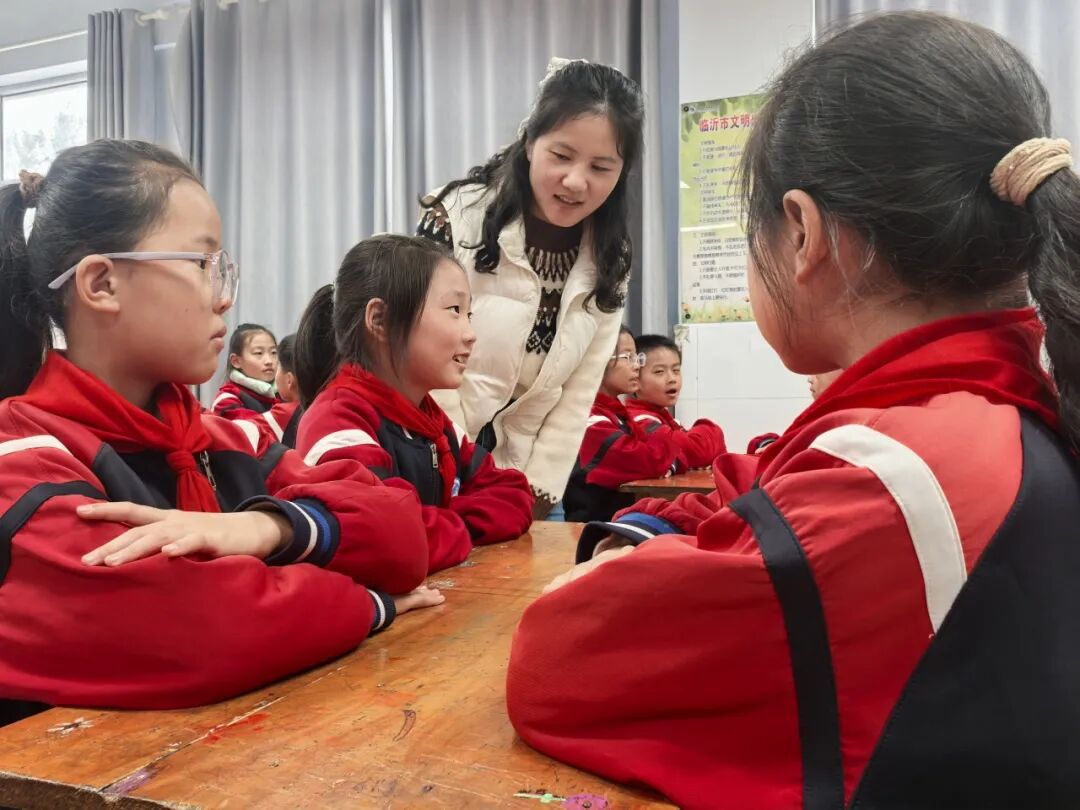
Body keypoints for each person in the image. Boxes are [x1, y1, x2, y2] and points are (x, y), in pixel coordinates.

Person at [506, 13, 1080, 808]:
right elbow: (749, 472)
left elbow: (558, 658)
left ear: (803, 231)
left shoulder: (901, 477)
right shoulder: (1005, 405)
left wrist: (632, 557)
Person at [0, 140, 441, 727]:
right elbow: (203, 631)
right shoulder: (23, 459)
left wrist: (262, 527)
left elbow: (403, 532)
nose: (224, 294)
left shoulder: (226, 438)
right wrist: (368, 602)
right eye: (202, 264)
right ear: (101, 283)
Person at [417, 58, 645, 517]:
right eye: (561, 156)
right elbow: (422, 355)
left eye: (601, 167)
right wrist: (461, 473)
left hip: (529, 480)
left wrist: (538, 495)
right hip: (436, 463)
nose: (576, 181)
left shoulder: (609, 256)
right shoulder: (457, 216)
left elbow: (580, 390)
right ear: (528, 143)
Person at [294, 234, 534, 574]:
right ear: (380, 320)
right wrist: (444, 527)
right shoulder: (338, 420)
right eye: (454, 310)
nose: (470, 333)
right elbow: (386, 539)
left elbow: (514, 492)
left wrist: (440, 528)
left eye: (469, 314)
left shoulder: (433, 422)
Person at [562, 327, 678, 522]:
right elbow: (650, 460)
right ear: (598, 359)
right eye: (627, 357)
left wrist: (667, 459)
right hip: (593, 531)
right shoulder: (588, 418)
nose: (636, 366)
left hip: (621, 522)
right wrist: (667, 446)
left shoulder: (617, 414)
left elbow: (666, 457)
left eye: (636, 357)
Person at [627, 334, 726, 470]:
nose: (672, 378)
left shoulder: (665, 418)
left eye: (676, 370)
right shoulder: (639, 421)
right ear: (635, 378)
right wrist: (710, 430)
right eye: (659, 372)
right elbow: (697, 452)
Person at [211, 323, 279, 419]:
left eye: (273, 353)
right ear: (236, 361)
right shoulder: (226, 401)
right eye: (258, 353)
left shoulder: (284, 393)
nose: (269, 361)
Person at [258, 332, 302, 447]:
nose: (269, 362)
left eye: (278, 365)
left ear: (289, 380)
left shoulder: (283, 414)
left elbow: (235, 431)